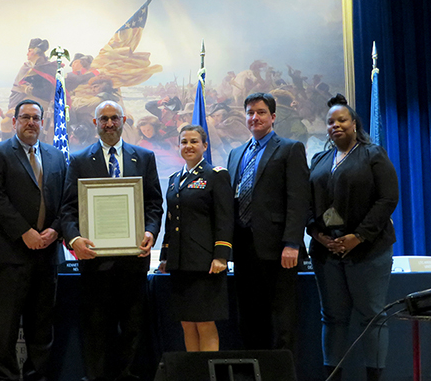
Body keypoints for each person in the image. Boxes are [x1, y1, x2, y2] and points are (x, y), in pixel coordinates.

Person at [61, 100, 163, 381]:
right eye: (103, 119)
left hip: (133, 261)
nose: (109, 123)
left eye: (114, 118)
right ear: (95, 123)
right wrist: (74, 239)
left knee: (132, 326)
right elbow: (68, 208)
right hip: (95, 262)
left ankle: (127, 376)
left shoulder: (143, 157)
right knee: (96, 326)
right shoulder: (80, 160)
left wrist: (150, 232)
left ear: (124, 120)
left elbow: (154, 203)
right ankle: (96, 377)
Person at [307, 94, 398, 381]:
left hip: (368, 250)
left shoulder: (373, 154)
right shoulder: (319, 160)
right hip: (326, 252)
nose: (335, 125)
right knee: (332, 318)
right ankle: (332, 376)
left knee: (372, 317)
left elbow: (387, 199)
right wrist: (319, 236)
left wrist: (358, 237)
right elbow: (306, 204)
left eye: (342, 120)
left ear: (355, 124)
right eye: (330, 122)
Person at [0, 99, 67, 381]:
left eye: (36, 118)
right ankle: (5, 377)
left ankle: (37, 377)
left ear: (43, 122)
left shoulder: (56, 156)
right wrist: (24, 232)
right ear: (15, 120)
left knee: (41, 325)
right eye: (25, 117)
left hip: (47, 254)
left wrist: (55, 229)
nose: (31, 122)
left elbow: (67, 200)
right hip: (9, 254)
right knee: (3, 327)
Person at [226, 92, 309, 353]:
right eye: (250, 112)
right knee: (249, 316)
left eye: (261, 112)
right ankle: (256, 369)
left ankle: (283, 373)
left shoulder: (290, 149)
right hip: (243, 246)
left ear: (273, 117)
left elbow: (298, 200)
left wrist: (292, 243)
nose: (255, 117)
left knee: (281, 317)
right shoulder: (235, 153)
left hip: (278, 249)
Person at [158, 124, 234, 352]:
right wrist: (165, 256)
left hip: (206, 264)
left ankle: (207, 373)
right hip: (180, 263)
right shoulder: (174, 179)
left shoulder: (216, 175)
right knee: (187, 323)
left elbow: (225, 218)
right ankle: (193, 372)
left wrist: (221, 256)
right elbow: (171, 222)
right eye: (184, 142)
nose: (188, 146)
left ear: (205, 146)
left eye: (194, 141)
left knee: (204, 322)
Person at [8, 38, 57, 111]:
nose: (27, 54)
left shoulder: (48, 68)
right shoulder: (26, 67)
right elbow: (17, 87)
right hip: (22, 98)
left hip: (40, 100)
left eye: (29, 51)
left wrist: (28, 89)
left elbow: (47, 92)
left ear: (36, 52)